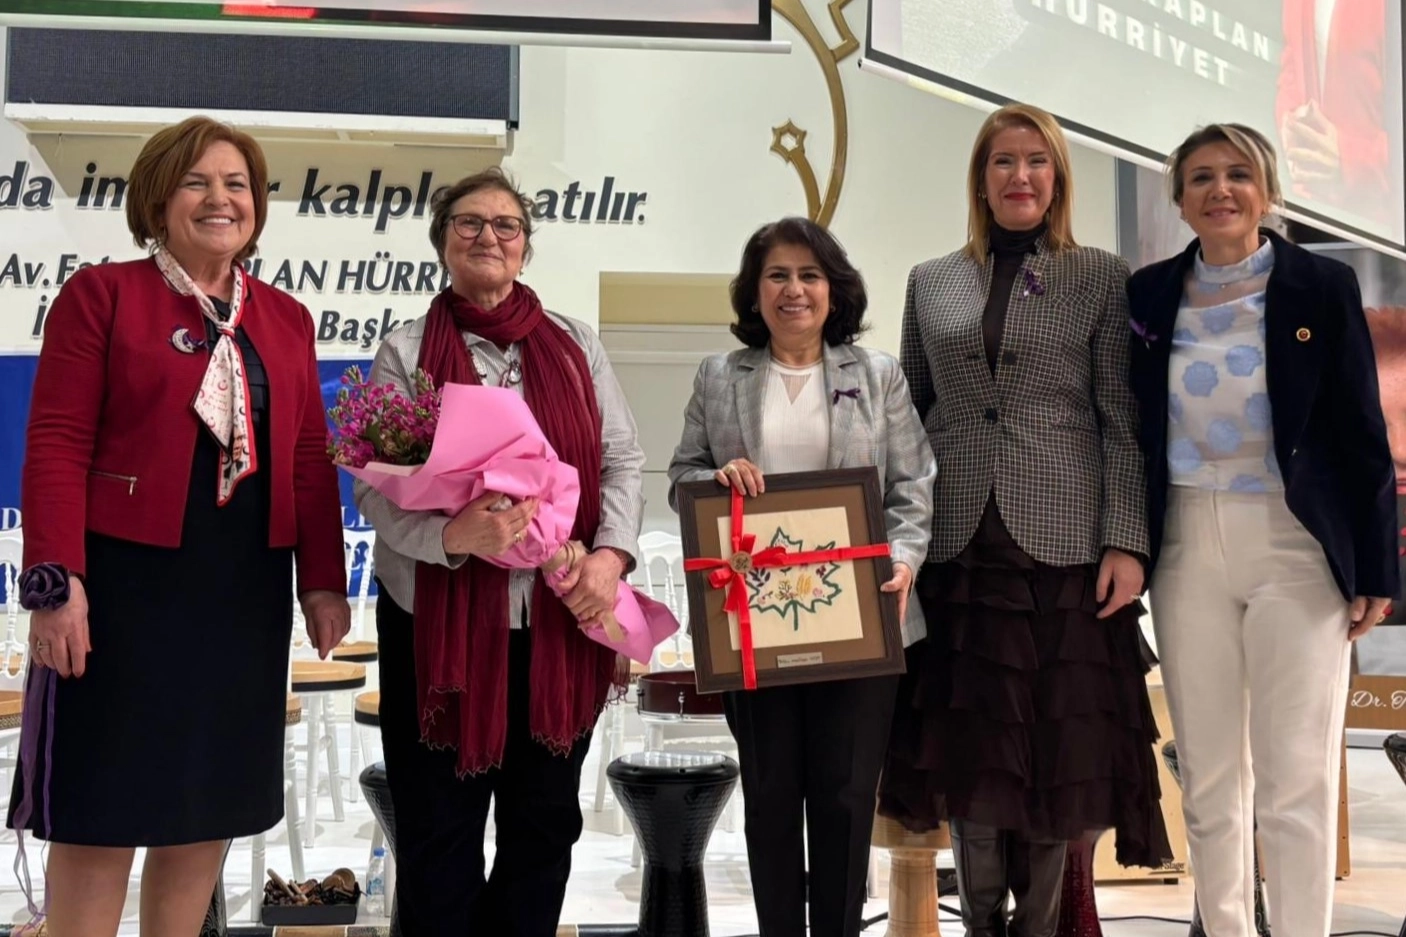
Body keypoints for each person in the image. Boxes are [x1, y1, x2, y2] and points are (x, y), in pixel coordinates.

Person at [9, 115, 350, 937]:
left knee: (204, 809)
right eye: (197, 182)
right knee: (101, 812)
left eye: (237, 184)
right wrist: (57, 585)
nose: (219, 198)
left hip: (240, 599)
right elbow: (56, 441)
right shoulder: (103, 295)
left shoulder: (287, 318)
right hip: (120, 595)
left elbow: (308, 456)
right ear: (158, 199)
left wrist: (323, 581)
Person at [878, 102, 1171, 937]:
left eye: (1037, 161)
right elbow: (909, 417)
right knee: (968, 756)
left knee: (1054, 764)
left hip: (1065, 551)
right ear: (981, 179)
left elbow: (1120, 418)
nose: (1020, 176)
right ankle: (980, 923)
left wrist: (1127, 540)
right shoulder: (931, 279)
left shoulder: (1099, 276)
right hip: (956, 549)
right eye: (1003, 161)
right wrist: (892, 537)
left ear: (1058, 177)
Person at [356, 166, 646, 936]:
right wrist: (453, 538)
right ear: (443, 242)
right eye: (469, 223)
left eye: (506, 225)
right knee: (436, 835)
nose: (489, 236)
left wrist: (610, 557)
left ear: (525, 246)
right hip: (436, 634)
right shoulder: (406, 350)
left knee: (543, 829)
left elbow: (622, 460)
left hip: (560, 623)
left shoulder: (575, 345)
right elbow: (377, 490)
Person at [1127, 122, 1399, 937]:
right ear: (1180, 200)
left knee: (1296, 777)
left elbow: (1362, 431)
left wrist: (1375, 568)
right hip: (1186, 544)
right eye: (1202, 177)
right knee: (1210, 778)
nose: (1221, 190)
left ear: (1268, 192)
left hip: (1295, 543)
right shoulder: (1148, 293)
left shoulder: (1321, 284)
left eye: (1239, 174)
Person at [666, 217, 936, 937]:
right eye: (777, 275)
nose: (794, 289)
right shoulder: (719, 376)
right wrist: (714, 479)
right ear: (755, 292)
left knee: (846, 800)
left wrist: (904, 558)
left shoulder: (876, 375)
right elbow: (682, 475)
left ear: (833, 289)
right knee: (772, 799)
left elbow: (912, 486)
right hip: (751, 627)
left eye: (809, 275)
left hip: (862, 619)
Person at [1276, 0, 1396, 230]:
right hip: (1307, 209)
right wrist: (1291, 126)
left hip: (1380, 223)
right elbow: (1291, 67)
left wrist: (1351, 158)